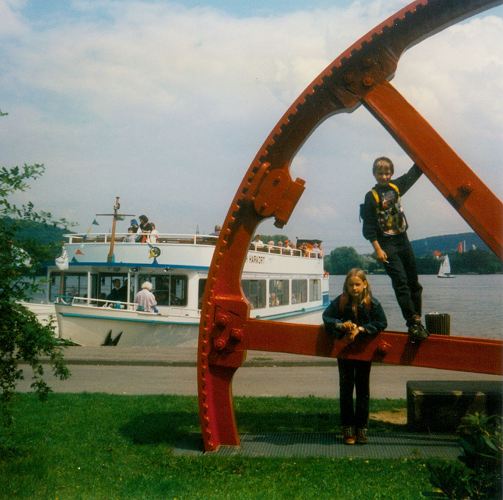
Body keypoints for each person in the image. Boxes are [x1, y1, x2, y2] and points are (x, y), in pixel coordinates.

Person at [361, 156, 428, 342]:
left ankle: (417, 319)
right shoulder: (371, 196)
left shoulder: (396, 187)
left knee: (414, 282)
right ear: (374, 174)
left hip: (403, 240)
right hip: (386, 244)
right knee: (401, 283)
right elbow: (369, 228)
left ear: (392, 173)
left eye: (387, 173)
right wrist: (378, 250)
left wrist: (426, 158)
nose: (384, 176)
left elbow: (413, 174)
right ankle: (412, 323)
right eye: (380, 173)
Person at [323, 268, 387, 445]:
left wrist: (362, 328)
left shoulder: (372, 303)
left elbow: (382, 322)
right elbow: (327, 317)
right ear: (347, 286)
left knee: (363, 390)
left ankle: (361, 429)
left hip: (363, 352)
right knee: (345, 389)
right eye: (351, 285)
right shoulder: (341, 302)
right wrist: (340, 324)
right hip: (345, 351)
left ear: (364, 284)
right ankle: (347, 429)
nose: (355, 288)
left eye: (358, 284)